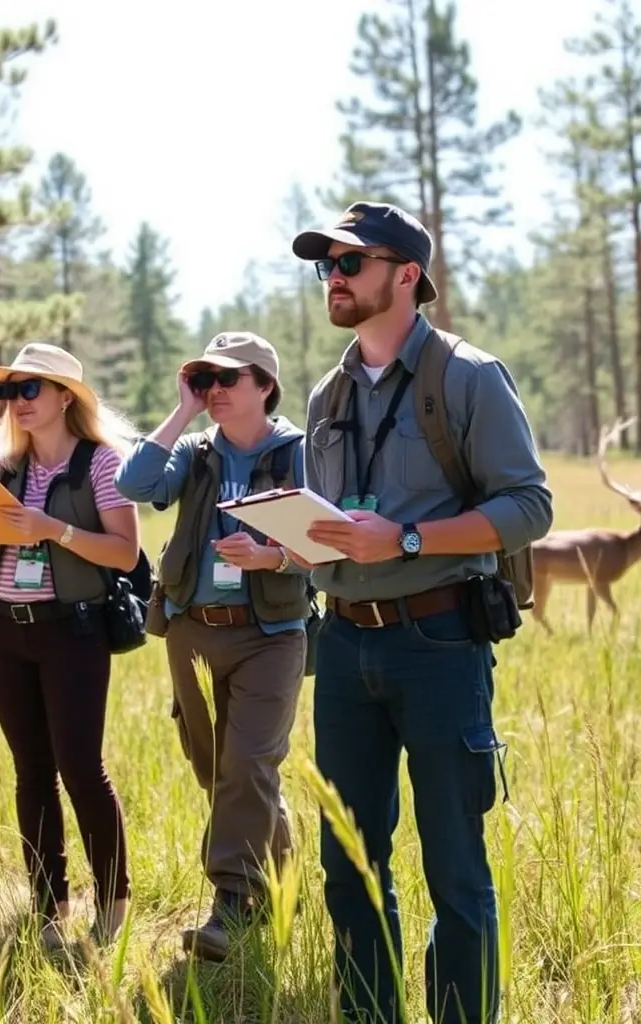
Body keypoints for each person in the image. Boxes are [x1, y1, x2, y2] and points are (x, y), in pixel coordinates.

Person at [290, 202, 553, 1024]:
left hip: (441, 643)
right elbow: (333, 521)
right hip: (340, 649)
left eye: (351, 262)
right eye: (325, 265)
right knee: (350, 865)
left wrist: (402, 540)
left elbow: (530, 505)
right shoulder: (326, 394)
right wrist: (296, 542)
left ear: (407, 276)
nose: (333, 277)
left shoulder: (468, 376)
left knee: (455, 865)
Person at [0, 342, 139, 951]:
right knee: (31, 773)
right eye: (9, 391)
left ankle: (114, 902)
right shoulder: (3, 465)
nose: (17, 402)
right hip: (2, 629)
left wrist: (55, 530)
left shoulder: (100, 463)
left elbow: (124, 552)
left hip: (72, 631)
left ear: (65, 397)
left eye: (28, 390)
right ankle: (50, 907)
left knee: (81, 769)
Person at [114, 331, 309, 962]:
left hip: (271, 635)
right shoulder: (194, 452)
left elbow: (331, 542)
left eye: (230, 379)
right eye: (207, 379)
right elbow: (136, 483)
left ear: (265, 386)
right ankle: (282, 878)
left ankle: (230, 905)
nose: (216, 389)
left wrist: (270, 556)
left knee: (248, 764)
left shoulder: (300, 453)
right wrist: (181, 412)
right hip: (194, 629)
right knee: (215, 769)